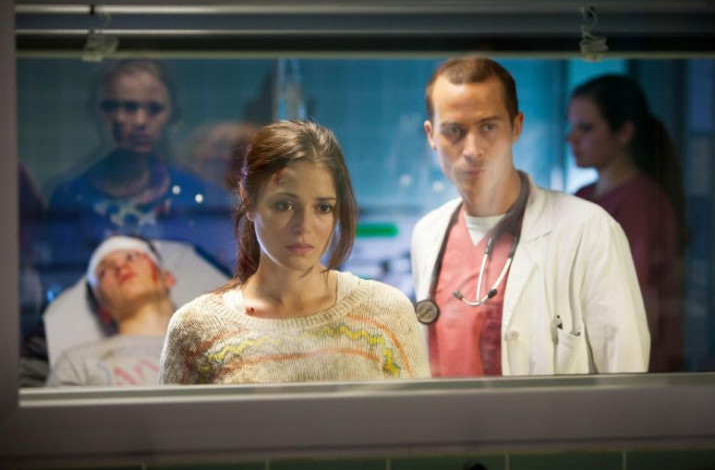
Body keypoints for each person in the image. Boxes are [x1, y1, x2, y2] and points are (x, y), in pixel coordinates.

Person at [411, 57, 650, 377]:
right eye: (454, 130)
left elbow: (626, 374)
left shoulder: (590, 231)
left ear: (516, 127)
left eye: (488, 127)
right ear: (431, 135)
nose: (472, 149)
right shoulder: (427, 234)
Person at [160, 120, 429, 384]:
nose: (304, 226)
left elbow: (416, 413)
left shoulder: (385, 313)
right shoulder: (197, 328)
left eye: (323, 207)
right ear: (248, 201)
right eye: (284, 205)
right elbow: (173, 416)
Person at [45, 59, 234, 293]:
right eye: (123, 107)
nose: (140, 121)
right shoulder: (69, 199)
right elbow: (62, 288)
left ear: (174, 115)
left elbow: (222, 282)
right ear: (98, 112)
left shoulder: (203, 196)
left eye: (154, 109)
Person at [566, 74, 687, 372]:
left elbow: (634, 306)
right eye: (572, 127)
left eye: (586, 128)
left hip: (628, 368)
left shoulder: (641, 202)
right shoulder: (582, 196)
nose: (572, 138)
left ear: (623, 133)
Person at [46, 235, 175, 387]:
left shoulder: (201, 348)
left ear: (167, 278)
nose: (119, 266)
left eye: (131, 257)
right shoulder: (77, 365)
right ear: (103, 311)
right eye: (103, 271)